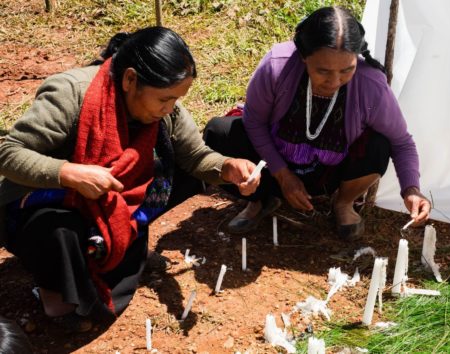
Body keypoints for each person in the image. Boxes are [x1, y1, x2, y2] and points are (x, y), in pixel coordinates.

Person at [0, 27, 260, 327]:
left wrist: (227, 167)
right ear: (130, 79)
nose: (170, 109)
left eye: (176, 99)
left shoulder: (165, 110)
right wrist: (68, 173)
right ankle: (56, 290)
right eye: (164, 99)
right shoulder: (71, 94)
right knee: (59, 231)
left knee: (186, 176)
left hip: (109, 201)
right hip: (48, 204)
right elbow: (10, 153)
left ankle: (120, 239)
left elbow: (196, 157)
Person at [204, 6, 431, 239]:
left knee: (379, 144)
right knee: (218, 134)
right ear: (303, 56)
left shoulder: (370, 84)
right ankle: (260, 199)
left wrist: (411, 189)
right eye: (323, 71)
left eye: (347, 70)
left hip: (329, 172)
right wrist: (282, 175)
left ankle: (343, 203)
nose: (334, 81)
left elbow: (401, 142)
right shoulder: (278, 66)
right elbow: (254, 123)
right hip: (272, 163)